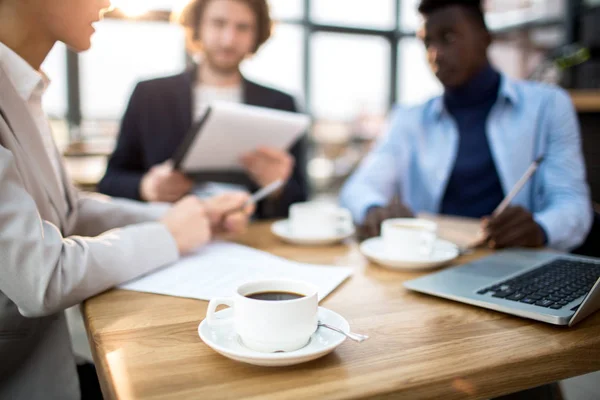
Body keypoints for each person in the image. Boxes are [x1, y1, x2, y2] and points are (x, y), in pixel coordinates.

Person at [0, 0, 254, 398]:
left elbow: (72, 210)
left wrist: (189, 216)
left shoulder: (21, 86)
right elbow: (39, 276)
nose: (108, 2)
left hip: (51, 363)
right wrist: (168, 234)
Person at [340, 0, 593, 252]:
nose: (435, 54)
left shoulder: (547, 106)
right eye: (427, 43)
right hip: (431, 262)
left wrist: (540, 228)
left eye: (448, 38)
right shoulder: (409, 118)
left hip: (516, 261)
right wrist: (372, 209)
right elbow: (359, 187)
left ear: (486, 38)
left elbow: (572, 202)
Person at [97, 0, 309, 219]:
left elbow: (301, 196)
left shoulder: (281, 104)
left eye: (243, 27)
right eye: (218, 23)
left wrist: (278, 186)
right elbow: (111, 181)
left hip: (250, 236)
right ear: (197, 26)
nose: (229, 39)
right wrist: (147, 187)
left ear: (257, 35)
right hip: (169, 232)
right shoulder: (150, 95)